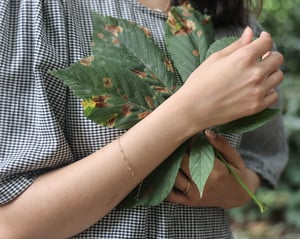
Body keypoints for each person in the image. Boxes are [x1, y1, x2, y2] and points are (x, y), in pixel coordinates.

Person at [0, 0, 288, 238]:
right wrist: (188, 111)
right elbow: (11, 225)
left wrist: (235, 190)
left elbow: (257, 163)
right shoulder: (31, 10)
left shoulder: (237, 25)